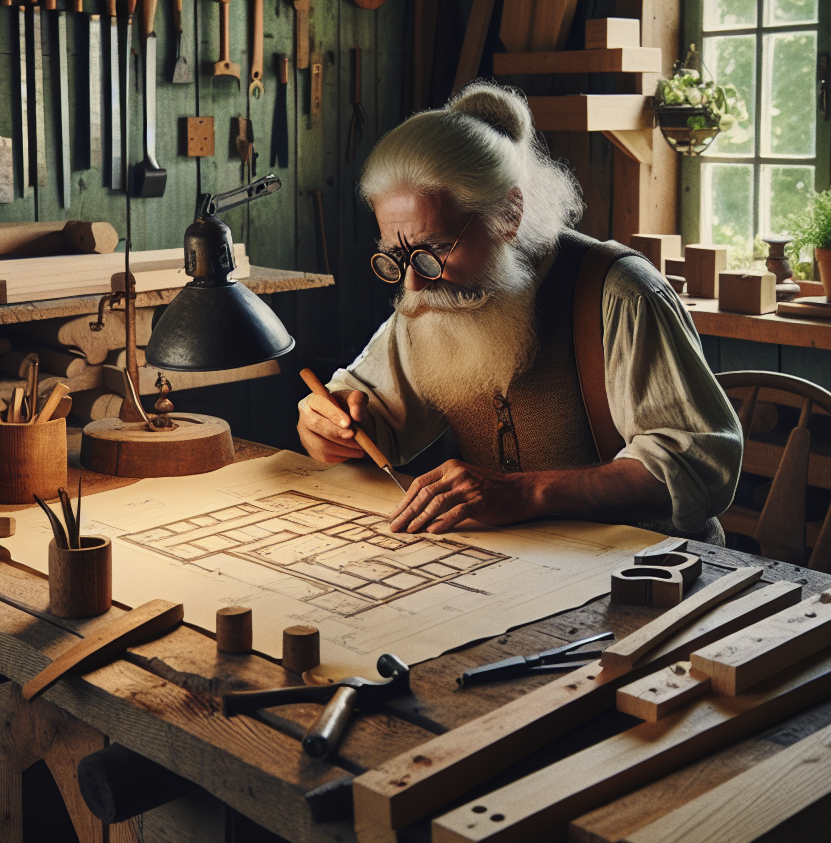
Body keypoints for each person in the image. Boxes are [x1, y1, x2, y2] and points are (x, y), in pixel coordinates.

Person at [297, 82, 742, 543]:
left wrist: (527, 492)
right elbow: (367, 412)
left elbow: (698, 465)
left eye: (436, 249)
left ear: (508, 214)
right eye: (397, 255)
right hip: (515, 567)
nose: (412, 283)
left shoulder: (623, 296)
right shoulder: (432, 290)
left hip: (649, 568)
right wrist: (333, 426)